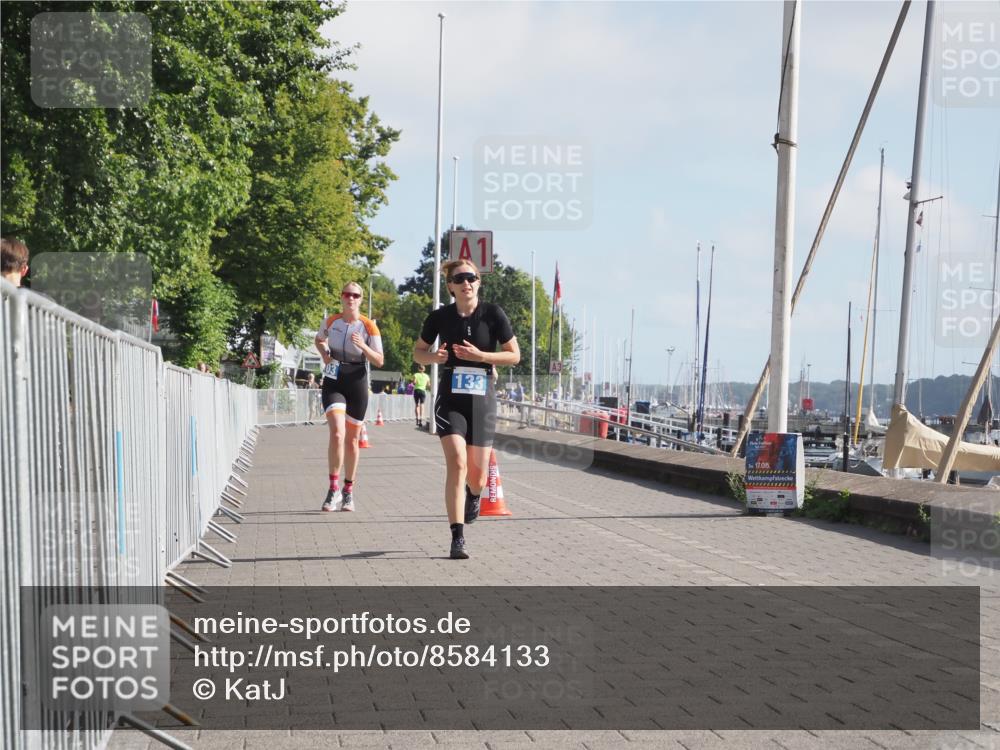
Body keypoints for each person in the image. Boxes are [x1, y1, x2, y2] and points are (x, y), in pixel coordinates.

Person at [413, 260, 520, 559]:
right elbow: (417, 351)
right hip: (451, 398)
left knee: (478, 478)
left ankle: (474, 495)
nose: (466, 283)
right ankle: (457, 537)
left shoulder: (493, 314)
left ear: (478, 282)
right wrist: (435, 357)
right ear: (450, 286)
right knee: (457, 463)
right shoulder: (439, 317)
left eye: (471, 277)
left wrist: (481, 355)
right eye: (459, 278)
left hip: (482, 398)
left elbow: (515, 355)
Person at [315, 282, 384, 512]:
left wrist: (363, 345)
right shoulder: (331, 321)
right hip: (334, 379)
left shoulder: (368, 326)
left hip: (357, 380)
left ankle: (348, 490)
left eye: (355, 295)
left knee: (352, 440)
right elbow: (319, 339)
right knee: (337, 433)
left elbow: (379, 360)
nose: (350, 298)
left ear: (361, 299)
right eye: (347, 294)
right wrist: (325, 353)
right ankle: (333, 488)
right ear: (341, 297)